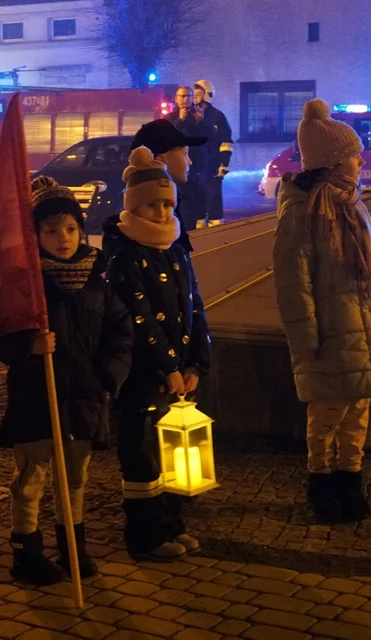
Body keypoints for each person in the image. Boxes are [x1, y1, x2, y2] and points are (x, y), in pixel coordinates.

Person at [0, 177, 133, 586]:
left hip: (86, 395)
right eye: (51, 231)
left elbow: (120, 332)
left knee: (75, 477)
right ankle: (27, 552)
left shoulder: (97, 279)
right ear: (35, 234)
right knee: (32, 476)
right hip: (38, 395)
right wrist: (28, 346)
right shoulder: (27, 283)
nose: (63, 238)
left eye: (70, 229)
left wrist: (110, 376)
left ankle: (73, 547)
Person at [272, 98, 371, 525]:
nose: (361, 161)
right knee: (327, 414)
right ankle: (321, 483)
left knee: (358, 411)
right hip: (330, 330)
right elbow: (294, 282)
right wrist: (305, 339)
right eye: (352, 155)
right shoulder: (303, 214)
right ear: (332, 163)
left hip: (364, 327)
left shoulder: (354, 207)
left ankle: (351, 481)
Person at [101, 145, 212, 561]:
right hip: (144, 376)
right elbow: (137, 317)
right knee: (143, 453)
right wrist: (167, 367)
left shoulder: (176, 248)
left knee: (169, 454)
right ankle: (144, 533)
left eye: (167, 204)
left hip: (179, 374)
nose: (163, 213)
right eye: (152, 205)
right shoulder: (125, 253)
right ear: (133, 206)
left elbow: (194, 306)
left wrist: (196, 362)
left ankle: (170, 522)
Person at [129, 119, 208, 250]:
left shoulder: (172, 201)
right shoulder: (156, 214)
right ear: (161, 161)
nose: (190, 162)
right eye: (185, 154)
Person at [166, 86, 211, 231]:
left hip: (197, 167)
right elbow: (169, 137)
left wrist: (200, 122)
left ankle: (195, 232)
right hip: (177, 169)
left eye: (189, 96)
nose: (186, 99)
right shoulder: (170, 118)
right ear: (176, 98)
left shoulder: (198, 115)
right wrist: (180, 120)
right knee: (182, 203)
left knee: (197, 201)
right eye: (183, 96)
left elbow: (210, 137)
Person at [194, 80, 235, 227]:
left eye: (199, 93)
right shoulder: (189, 115)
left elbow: (226, 142)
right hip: (194, 167)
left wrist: (224, 163)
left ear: (207, 95)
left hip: (212, 167)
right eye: (194, 94)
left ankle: (216, 234)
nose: (195, 97)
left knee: (213, 200)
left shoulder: (217, 117)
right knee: (196, 202)